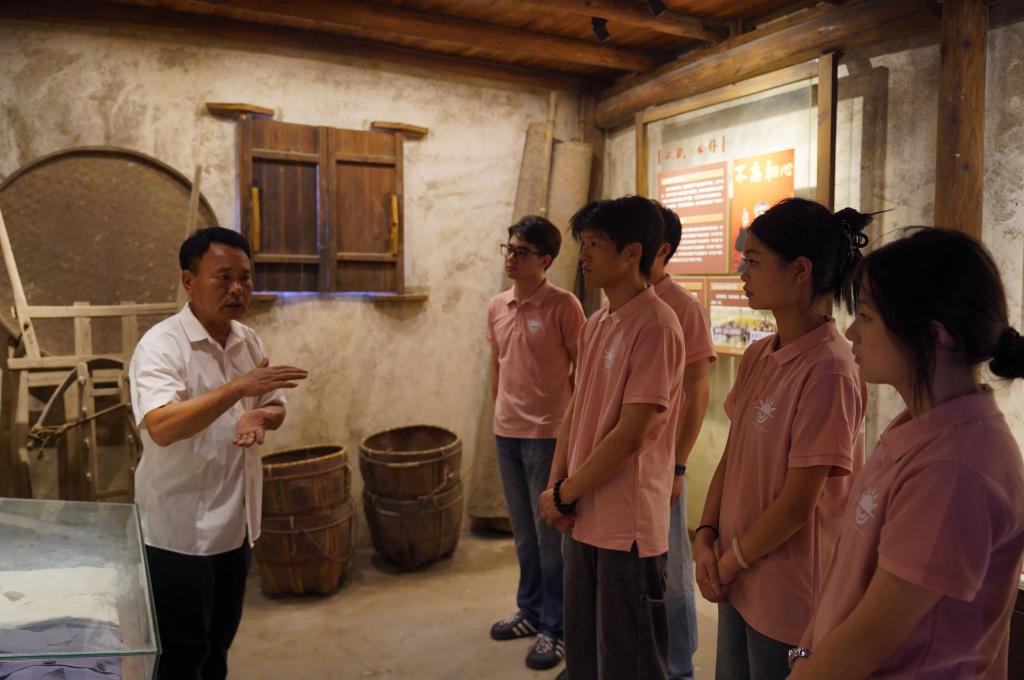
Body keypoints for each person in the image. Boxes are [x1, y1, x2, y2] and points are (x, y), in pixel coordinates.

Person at [789, 227, 1024, 679]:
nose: (852, 332)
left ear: (936, 336)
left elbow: (870, 640)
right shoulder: (919, 428)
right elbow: (847, 584)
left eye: (866, 316)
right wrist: (803, 655)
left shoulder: (956, 467)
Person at [695, 198, 870, 679]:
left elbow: (797, 505)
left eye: (753, 261)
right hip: (735, 574)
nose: (742, 274)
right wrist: (706, 536)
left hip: (786, 594)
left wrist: (728, 561)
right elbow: (732, 457)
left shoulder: (830, 368)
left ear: (800, 271)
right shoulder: (759, 354)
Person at [129, 227, 308, 680]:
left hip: (236, 524)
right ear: (188, 281)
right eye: (223, 277)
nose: (237, 289)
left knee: (217, 649)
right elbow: (162, 426)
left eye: (245, 278)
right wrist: (236, 390)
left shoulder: (248, 341)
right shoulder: (161, 345)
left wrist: (260, 416)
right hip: (178, 531)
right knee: (180, 656)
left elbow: (275, 406)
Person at [540, 196, 686, 680]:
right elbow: (576, 407)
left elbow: (630, 436)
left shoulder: (657, 326)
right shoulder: (598, 321)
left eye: (595, 244)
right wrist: (558, 486)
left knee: (630, 663)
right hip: (583, 514)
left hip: (627, 527)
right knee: (584, 656)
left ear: (631, 253)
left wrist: (566, 492)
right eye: (583, 243)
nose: (583, 255)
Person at [487, 215, 585, 671]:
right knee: (524, 534)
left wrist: (573, 432)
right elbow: (497, 364)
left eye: (521, 251)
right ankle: (529, 610)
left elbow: (584, 372)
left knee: (550, 538)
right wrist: (499, 414)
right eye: (508, 248)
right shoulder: (497, 306)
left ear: (544, 260)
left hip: (547, 436)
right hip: (506, 433)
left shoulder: (564, 306)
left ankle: (556, 627)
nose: (510, 257)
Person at [650, 203, 716, 680]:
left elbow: (698, 391)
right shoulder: (616, 303)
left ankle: (679, 668)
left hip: (661, 464)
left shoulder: (683, 307)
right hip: (624, 466)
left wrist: (678, 463)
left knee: (673, 570)